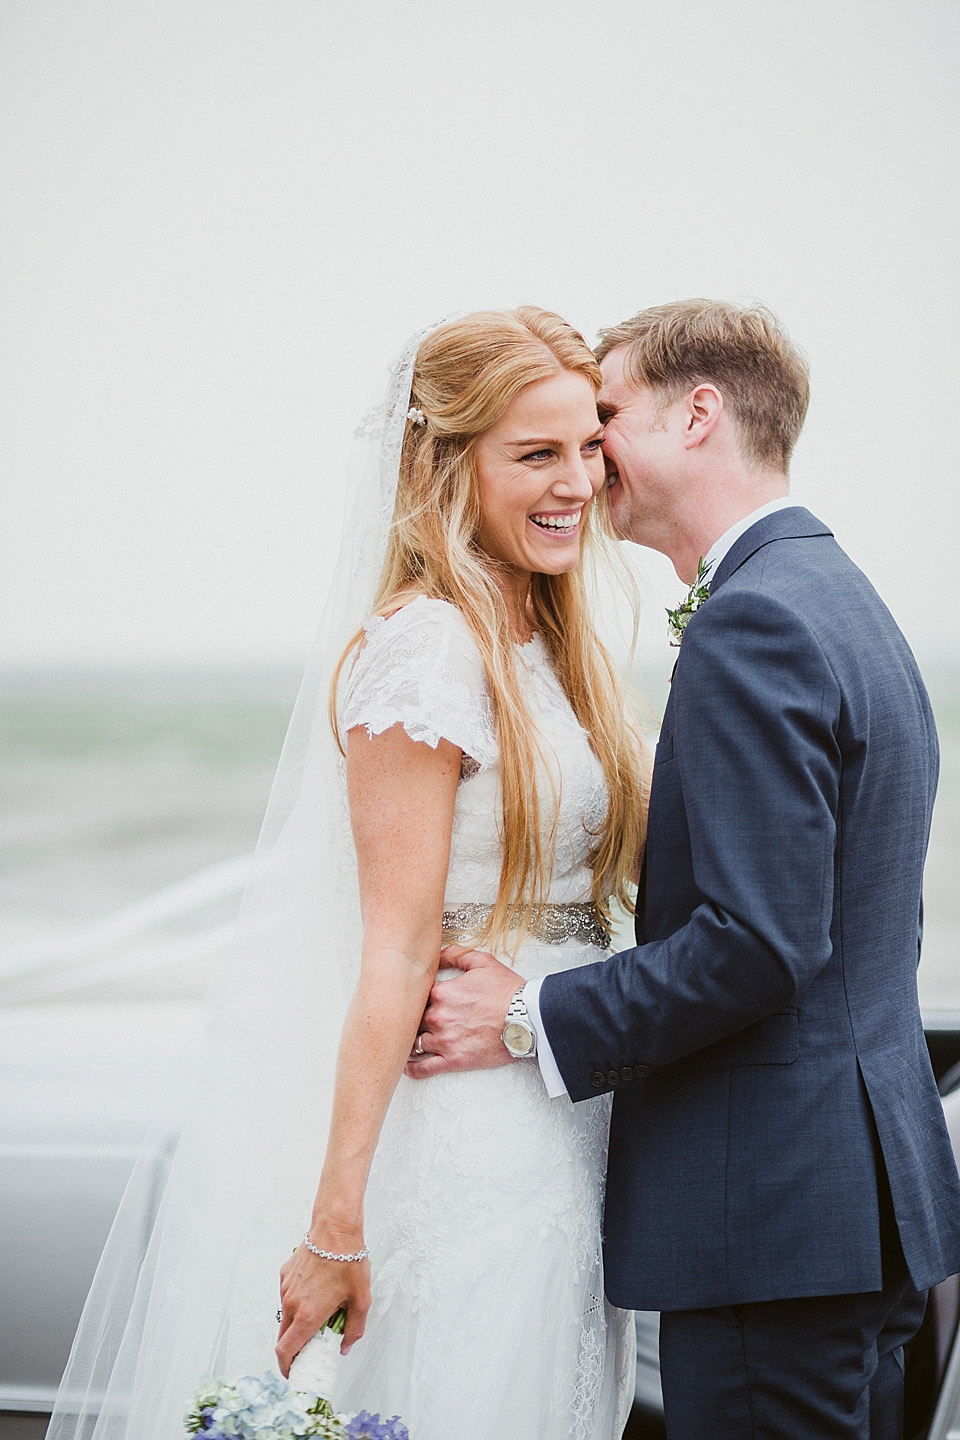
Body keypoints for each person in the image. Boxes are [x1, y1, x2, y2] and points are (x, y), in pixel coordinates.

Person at [47, 308, 647, 1440]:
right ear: (445, 463)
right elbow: (396, 948)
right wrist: (336, 1226)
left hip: (567, 1114)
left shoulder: (556, 645)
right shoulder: (425, 650)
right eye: (535, 453)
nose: (577, 482)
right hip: (470, 1124)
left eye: (588, 446)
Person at [411, 299, 960, 1439]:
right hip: (858, 1206)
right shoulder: (842, 599)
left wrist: (530, 1014)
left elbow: (760, 942)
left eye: (606, 414)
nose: (591, 451)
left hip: (771, 1222)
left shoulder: (754, 621)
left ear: (698, 413)